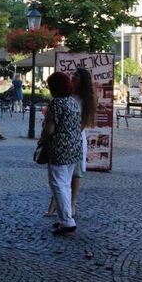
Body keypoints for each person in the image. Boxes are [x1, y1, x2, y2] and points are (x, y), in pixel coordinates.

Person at [37, 72, 82, 235]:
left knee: (58, 184)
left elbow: (49, 129)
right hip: (75, 147)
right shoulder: (73, 102)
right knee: (65, 183)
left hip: (60, 148)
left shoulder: (56, 103)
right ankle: (66, 217)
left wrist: (41, 141)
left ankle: (67, 222)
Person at [47, 67, 96, 218]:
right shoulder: (67, 95)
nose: (72, 76)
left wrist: (71, 132)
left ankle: (72, 203)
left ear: (83, 80)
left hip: (76, 137)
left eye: (76, 75)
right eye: (72, 74)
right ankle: (57, 203)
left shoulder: (86, 100)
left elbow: (84, 121)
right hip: (65, 137)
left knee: (75, 173)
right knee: (61, 176)